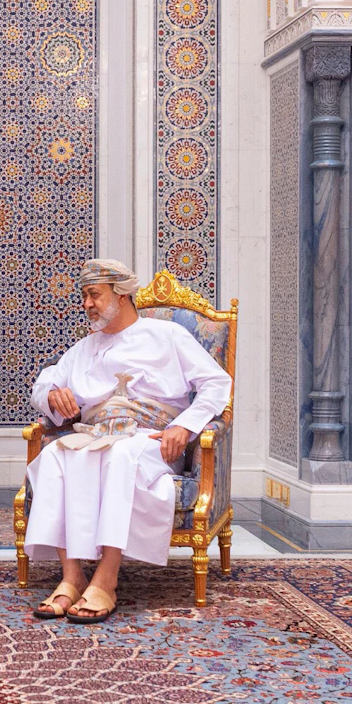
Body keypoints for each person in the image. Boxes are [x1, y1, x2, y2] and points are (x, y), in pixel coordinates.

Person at [25, 259, 232, 623]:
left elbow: (217, 384)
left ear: (121, 295)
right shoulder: (84, 348)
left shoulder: (167, 335)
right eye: (84, 296)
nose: (87, 304)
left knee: (121, 454)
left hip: (150, 439)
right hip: (96, 435)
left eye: (94, 295)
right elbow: (42, 387)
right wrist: (53, 396)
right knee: (55, 453)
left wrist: (184, 427)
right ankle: (72, 577)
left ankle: (106, 580)